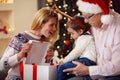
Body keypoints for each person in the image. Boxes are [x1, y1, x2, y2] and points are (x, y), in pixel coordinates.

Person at [63, 0, 120, 80]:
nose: (85, 21)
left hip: (114, 75)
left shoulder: (118, 27)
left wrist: (88, 70)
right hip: (95, 74)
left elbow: (117, 66)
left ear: (101, 13)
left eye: (88, 17)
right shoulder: (94, 25)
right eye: (84, 17)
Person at [0, 7, 59, 80]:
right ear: (41, 23)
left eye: (55, 25)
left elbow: (39, 70)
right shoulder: (20, 38)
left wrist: (48, 60)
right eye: (52, 25)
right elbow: (2, 66)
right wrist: (21, 54)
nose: (54, 29)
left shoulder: (45, 43)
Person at [57, 16, 97, 80]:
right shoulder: (85, 37)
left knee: (62, 67)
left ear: (80, 31)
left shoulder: (84, 38)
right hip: (87, 61)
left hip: (87, 61)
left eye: (72, 33)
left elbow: (76, 52)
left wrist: (64, 61)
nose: (71, 36)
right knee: (68, 72)